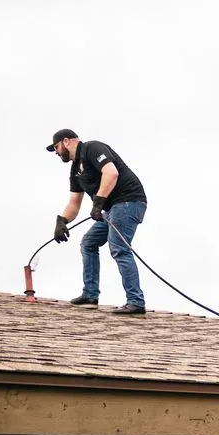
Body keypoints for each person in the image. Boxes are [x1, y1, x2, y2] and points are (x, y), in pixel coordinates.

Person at [47, 129, 148, 314]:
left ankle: (136, 301)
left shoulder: (92, 148)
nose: (56, 152)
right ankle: (90, 295)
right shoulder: (75, 170)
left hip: (128, 202)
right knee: (88, 243)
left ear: (66, 141)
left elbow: (111, 173)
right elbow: (74, 203)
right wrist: (62, 221)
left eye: (56, 147)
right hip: (111, 208)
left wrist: (98, 202)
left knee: (119, 248)